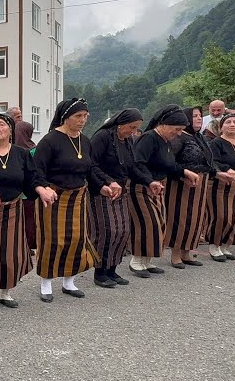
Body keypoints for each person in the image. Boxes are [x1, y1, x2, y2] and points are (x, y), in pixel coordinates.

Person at [0, 113, 54, 308]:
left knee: (11, 252)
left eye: (1, 124)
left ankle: (5, 293)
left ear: (10, 130)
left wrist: (41, 189)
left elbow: (31, 178)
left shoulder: (21, 154)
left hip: (13, 208)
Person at [33, 99, 109, 300]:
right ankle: (46, 283)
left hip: (77, 197)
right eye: (78, 116)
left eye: (85, 116)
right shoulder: (50, 141)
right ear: (66, 117)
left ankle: (69, 282)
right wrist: (44, 189)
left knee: (76, 239)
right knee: (52, 240)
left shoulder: (84, 140)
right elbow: (36, 170)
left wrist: (104, 185)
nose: (83, 120)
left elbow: (90, 168)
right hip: (54, 197)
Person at [127, 106, 197, 275]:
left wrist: (184, 172)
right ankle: (136, 261)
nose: (179, 133)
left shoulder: (165, 141)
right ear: (164, 125)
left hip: (157, 186)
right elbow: (136, 164)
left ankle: (147, 261)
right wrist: (149, 180)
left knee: (159, 224)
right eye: (177, 129)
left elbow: (170, 164)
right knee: (147, 223)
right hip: (141, 187)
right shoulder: (148, 138)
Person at [87, 109, 140, 287]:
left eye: (136, 128)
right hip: (101, 190)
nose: (133, 131)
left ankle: (113, 269)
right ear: (120, 123)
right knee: (108, 231)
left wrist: (149, 181)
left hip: (120, 190)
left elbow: (132, 167)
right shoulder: (102, 137)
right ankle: (100, 272)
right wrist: (107, 182)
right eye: (131, 127)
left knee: (123, 230)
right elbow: (91, 165)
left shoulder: (128, 141)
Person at [163, 107, 216, 268]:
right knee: (180, 217)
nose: (199, 118)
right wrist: (182, 175)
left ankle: (187, 252)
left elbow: (208, 161)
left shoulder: (199, 137)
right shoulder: (179, 138)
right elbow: (169, 161)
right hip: (181, 183)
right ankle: (175, 254)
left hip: (199, 183)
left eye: (200, 115)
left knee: (196, 218)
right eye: (194, 116)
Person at [207, 113, 235, 261]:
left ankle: (226, 245)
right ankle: (214, 245)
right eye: (228, 122)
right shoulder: (216, 143)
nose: (232, 124)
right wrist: (226, 168)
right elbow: (213, 161)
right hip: (221, 184)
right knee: (222, 216)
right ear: (221, 127)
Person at [9, 106, 39, 249]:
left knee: (22, 219)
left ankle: (24, 244)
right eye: (17, 116)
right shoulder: (33, 149)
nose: (19, 118)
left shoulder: (11, 148)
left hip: (19, 192)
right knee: (29, 219)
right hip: (28, 193)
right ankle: (28, 244)